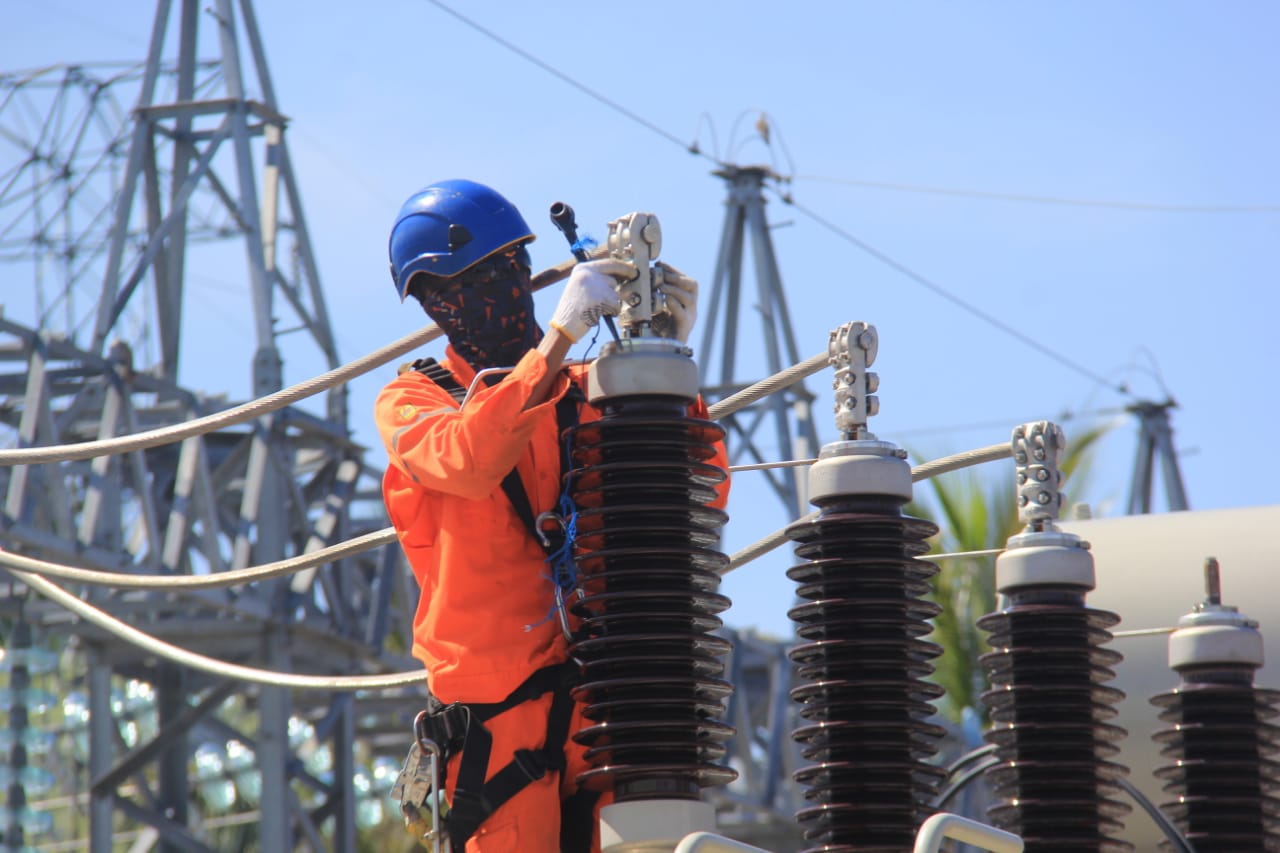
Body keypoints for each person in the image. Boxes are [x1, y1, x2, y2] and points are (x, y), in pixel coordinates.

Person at [375, 179, 729, 852]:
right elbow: (470, 457)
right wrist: (560, 338)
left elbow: (696, 498)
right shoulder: (416, 400)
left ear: (522, 269)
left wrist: (668, 369)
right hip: (498, 734)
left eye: (498, 272)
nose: (481, 298)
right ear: (430, 305)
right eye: (451, 290)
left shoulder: (587, 393)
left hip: (606, 707)